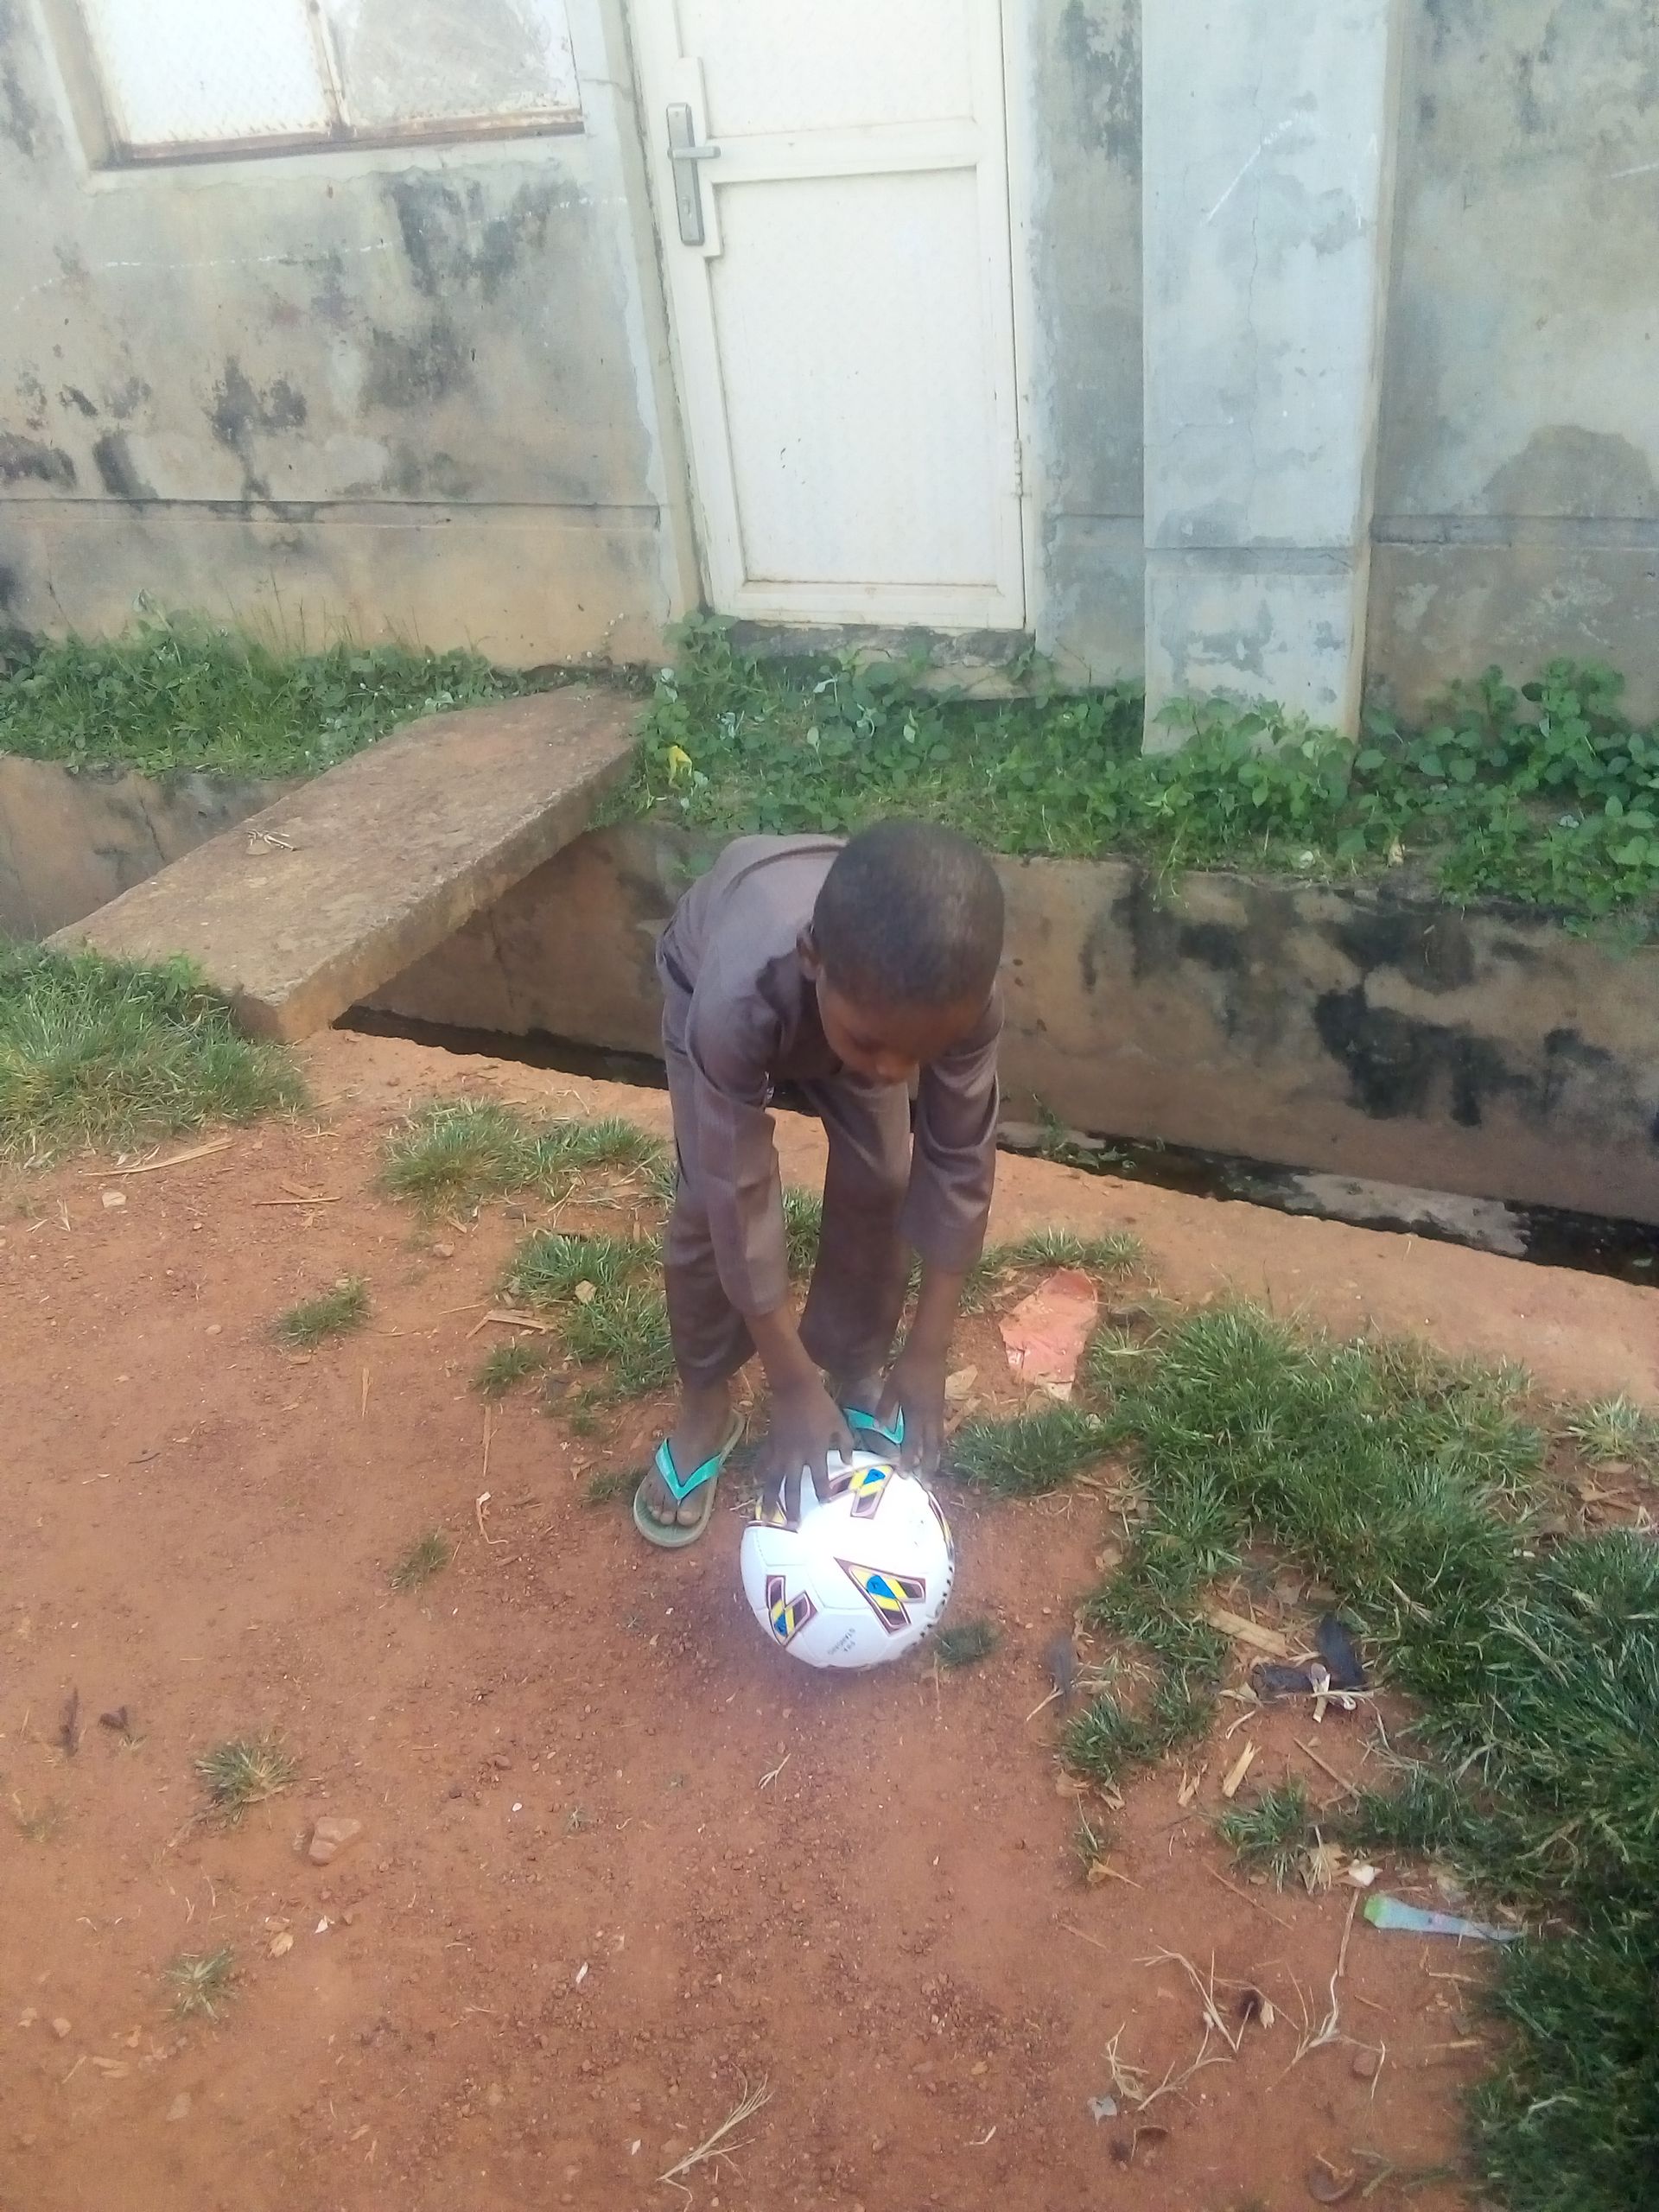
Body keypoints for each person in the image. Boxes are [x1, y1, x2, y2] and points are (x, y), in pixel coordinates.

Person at [632, 820, 1005, 1548]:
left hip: (855, 1001)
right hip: (718, 977)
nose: (894, 1071)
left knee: (883, 1173)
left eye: (921, 1055)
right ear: (814, 958)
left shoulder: (945, 1000)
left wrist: (927, 1352)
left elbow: (960, 1159)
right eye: (876, 1046)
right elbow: (736, 1193)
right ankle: (707, 1407)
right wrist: (790, 1385)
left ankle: (853, 1365)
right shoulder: (737, 999)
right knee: (708, 1205)